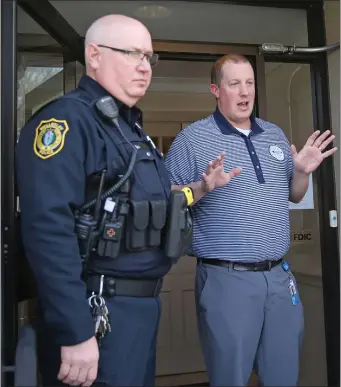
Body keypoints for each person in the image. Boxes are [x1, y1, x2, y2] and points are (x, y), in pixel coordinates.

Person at [15, 15, 236, 387]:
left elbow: (148, 205)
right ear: (95, 56)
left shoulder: (128, 130)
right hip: (95, 310)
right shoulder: (68, 122)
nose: (144, 66)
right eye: (132, 53)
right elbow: (48, 230)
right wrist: (75, 330)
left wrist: (199, 189)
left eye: (149, 57)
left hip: (137, 310)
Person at [165, 54, 337, 387]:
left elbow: (294, 195)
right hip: (225, 278)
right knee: (231, 377)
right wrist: (203, 186)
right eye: (234, 84)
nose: (245, 92)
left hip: (278, 277)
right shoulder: (193, 139)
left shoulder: (273, 134)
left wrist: (301, 171)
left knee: (283, 375)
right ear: (216, 90)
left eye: (250, 83)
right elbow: (164, 199)